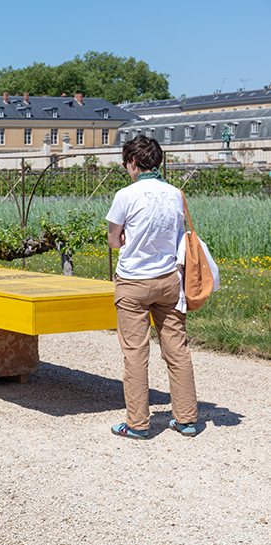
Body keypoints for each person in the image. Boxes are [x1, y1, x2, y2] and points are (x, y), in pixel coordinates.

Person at [106, 135, 198, 440]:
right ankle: (186, 419)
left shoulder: (125, 195)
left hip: (133, 281)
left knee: (135, 354)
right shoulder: (175, 194)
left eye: (126, 163)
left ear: (132, 162)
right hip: (170, 281)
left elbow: (113, 239)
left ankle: (138, 424)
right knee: (177, 350)